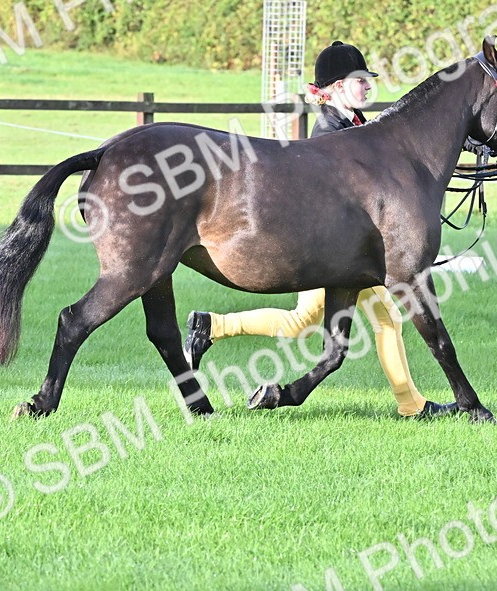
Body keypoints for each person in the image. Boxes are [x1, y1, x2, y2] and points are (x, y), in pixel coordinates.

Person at [183, 40, 429, 417]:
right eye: (359, 80)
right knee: (379, 319)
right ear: (335, 88)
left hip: (348, 250)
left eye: (367, 80)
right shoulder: (330, 134)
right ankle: (411, 406)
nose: (367, 86)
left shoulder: (354, 125)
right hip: (335, 251)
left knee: (306, 322)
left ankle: (211, 325)